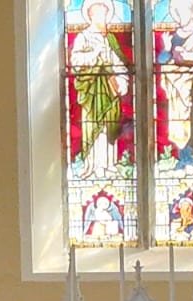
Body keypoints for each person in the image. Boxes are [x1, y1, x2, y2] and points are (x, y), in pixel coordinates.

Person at [71, 1, 131, 177]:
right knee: (93, 127)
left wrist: (122, 80)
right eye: (99, 14)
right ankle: (92, 164)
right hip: (92, 91)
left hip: (110, 89)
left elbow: (119, 62)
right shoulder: (84, 37)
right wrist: (94, 54)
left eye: (105, 14)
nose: (103, 18)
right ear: (90, 15)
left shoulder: (110, 38)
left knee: (109, 125)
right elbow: (75, 61)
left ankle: (109, 164)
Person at [159, 0, 193, 164]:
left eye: (185, 12)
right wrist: (167, 49)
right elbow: (161, 61)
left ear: (192, 14)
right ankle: (184, 159)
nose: (182, 17)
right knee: (179, 121)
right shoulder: (173, 36)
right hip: (176, 85)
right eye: (179, 13)